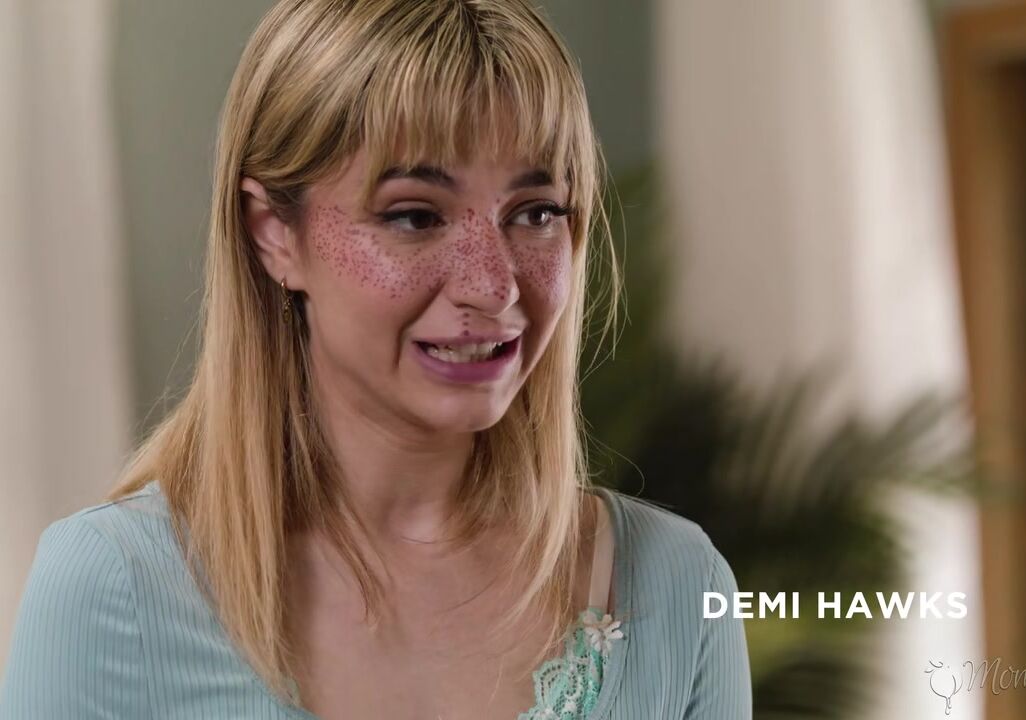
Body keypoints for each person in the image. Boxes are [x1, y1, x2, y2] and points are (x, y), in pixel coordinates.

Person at [0, 0, 751, 717]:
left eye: (535, 213)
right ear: (273, 234)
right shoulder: (111, 588)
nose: (493, 285)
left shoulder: (678, 588)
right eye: (414, 216)